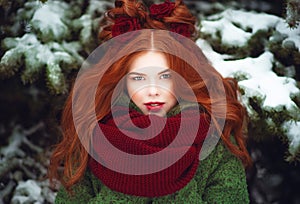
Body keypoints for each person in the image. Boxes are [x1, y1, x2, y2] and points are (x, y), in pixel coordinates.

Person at [48, 0, 252, 203]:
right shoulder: (93, 135)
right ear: (123, 82)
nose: (153, 90)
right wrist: (129, 186)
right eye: (139, 78)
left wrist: (172, 184)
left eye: (165, 76)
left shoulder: (215, 137)